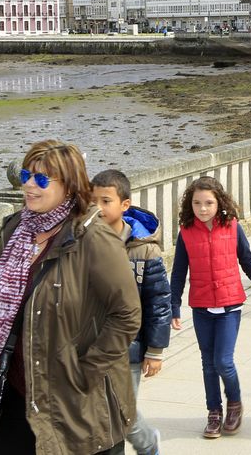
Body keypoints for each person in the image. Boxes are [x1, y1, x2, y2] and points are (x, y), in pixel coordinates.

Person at [0, 141, 140, 455]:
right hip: (17, 394)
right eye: (26, 175)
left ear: (70, 186)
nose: (28, 185)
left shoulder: (93, 239)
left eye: (40, 179)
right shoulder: (15, 230)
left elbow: (127, 314)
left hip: (77, 402)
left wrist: (86, 372)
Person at [169, 177, 251, 439]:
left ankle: (235, 404)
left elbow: (246, 260)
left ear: (219, 203)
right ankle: (214, 412)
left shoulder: (232, 227)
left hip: (229, 305)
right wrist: (174, 307)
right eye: (197, 203)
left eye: (208, 203)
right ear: (189, 204)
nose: (203, 209)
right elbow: (179, 272)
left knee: (223, 361)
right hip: (201, 305)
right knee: (208, 364)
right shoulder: (185, 232)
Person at [91, 170, 171, 455]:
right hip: (93, 346)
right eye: (93, 201)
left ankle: (148, 443)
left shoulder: (143, 251)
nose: (98, 209)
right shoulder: (84, 243)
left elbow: (159, 301)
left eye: (105, 201)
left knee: (124, 415)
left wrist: (156, 350)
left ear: (124, 205)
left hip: (130, 348)